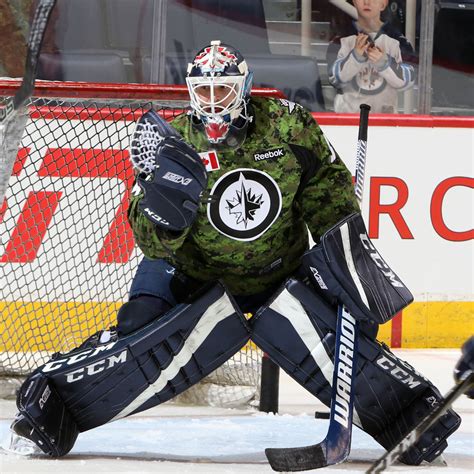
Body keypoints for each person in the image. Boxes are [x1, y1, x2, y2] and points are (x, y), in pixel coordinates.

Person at [10, 40, 460, 466]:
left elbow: (325, 182)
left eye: (222, 89)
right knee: (137, 329)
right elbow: (148, 241)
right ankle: (57, 402)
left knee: (351, 326)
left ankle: (411, 415)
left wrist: (339, 238)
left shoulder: (286, 123)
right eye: (202, 90)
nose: (212, 100)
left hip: (279, 272)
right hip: (192, 273)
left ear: (243, 88)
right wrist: (165, 216)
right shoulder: (173, 144)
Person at [327, 0, 416, 113]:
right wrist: (355, 57)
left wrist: (385, 63)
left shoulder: (398, 41)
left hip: (385, 120)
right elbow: (335, 79)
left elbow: (409, 80)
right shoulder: (340, 40)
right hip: (348, 120)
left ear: (383, 4)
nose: (366, 2)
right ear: (354, 2)